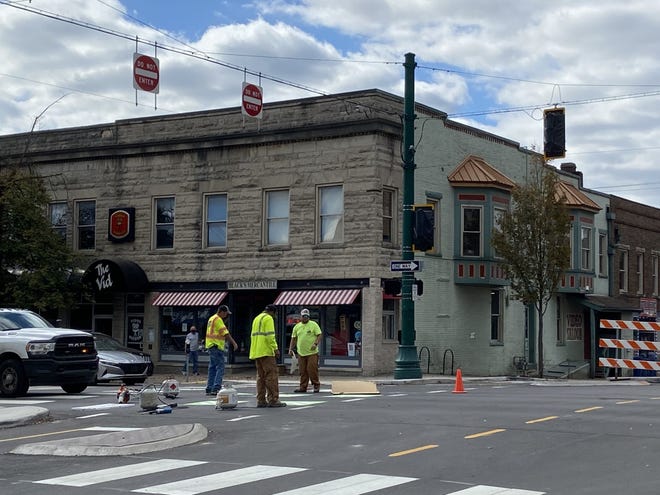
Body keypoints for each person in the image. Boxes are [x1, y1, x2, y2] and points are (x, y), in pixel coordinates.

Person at [249, 304, 286, 407]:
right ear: (273, 312)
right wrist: (275, 348)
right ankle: (273, 399)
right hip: (266, 351)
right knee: (271, 375)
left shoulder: (257, 318)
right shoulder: (268, 318)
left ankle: (261, 400)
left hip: (256, 351)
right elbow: (270, 336)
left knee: (261, 376)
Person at [205, 305, 238, 396]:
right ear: (222, 312)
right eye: (226, 314)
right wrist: (234, 343)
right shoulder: (218, 319)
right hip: (216, 346)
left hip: (210, 345)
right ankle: (216, 388)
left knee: (212, 367)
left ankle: (209, 387)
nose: (226, 316)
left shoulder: (211, 318)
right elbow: (226, 333)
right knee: (220, 367)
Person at [288, 308, 322, 393]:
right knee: (302, 371)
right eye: (303, 316)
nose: (305, 318)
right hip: (301, 353)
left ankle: (316, 385)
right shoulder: (297, 326)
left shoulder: (313, 324)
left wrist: (315, 343)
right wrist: (291, 349)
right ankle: (303, 386)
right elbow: (294, 338)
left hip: (312, 352)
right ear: (301, 317)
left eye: (307, 316)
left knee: (312, 369)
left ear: (309, 317)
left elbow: (319, 335)